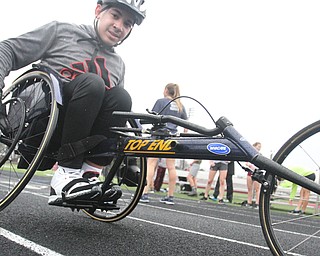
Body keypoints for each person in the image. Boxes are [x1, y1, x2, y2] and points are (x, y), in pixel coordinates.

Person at [0, 0, 146, 205]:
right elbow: (7, 49)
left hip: (84, 136)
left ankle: (88, 175)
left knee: (121, 97)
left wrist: (130, 159)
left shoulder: (118, 65)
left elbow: (116, 118)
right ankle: (66, 174)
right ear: (98, 11)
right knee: (93, 83)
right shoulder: (61, 32)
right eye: (115, 16)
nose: (119, 26)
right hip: (43, 124)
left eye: (127, 23)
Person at [140, 83, 188, 205]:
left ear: (166, 90)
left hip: (158, 136)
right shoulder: (180, 105)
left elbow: (152, 117)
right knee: (171, 167)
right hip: (172, 137)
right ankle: (170, 196)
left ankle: (144, 193)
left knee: (151, 163)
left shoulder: (161, 101)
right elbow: (186, 125)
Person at [245, 142, 262, 208]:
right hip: (250, 172)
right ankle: (249, 202)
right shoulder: (249, 155)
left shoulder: (260, 155)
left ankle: (257, 203)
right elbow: (246, 163)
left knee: (257, 189)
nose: (259, 148)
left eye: (260, 147)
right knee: (250, 188)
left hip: (257, 173)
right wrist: (249, 165)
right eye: (258, 146)